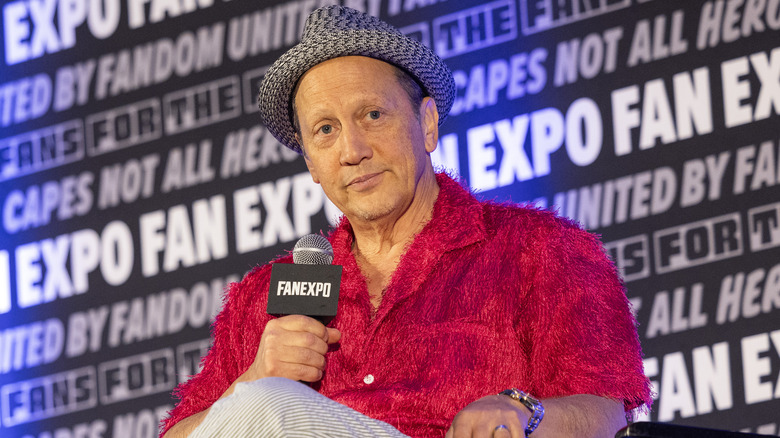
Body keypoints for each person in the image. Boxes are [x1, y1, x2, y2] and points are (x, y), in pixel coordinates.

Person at [161, 6, 651, 438]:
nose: (353, 151)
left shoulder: (541, 249)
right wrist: (252, 379)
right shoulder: (260, 298)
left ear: (428, 123)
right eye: (325, 130)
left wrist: (521, 411)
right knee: (261, 402)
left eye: (373, 115)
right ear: (310, 162)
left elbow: (605, 414)